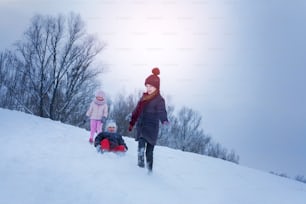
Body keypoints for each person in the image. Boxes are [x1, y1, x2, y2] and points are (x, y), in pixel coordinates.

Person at [128, 67, 169, 173]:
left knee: (150, 151)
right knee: (141, 142)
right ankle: (140, 164)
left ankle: (149, 170)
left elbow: (162, 111)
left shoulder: (159, 100)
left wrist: (164, 120)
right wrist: (132, 123)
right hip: (142, 125)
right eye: (147, 86)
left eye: (151, 86)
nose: (149, 88)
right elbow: (136, 111)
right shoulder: (143, 98)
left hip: (152, 128)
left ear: (157, 87)